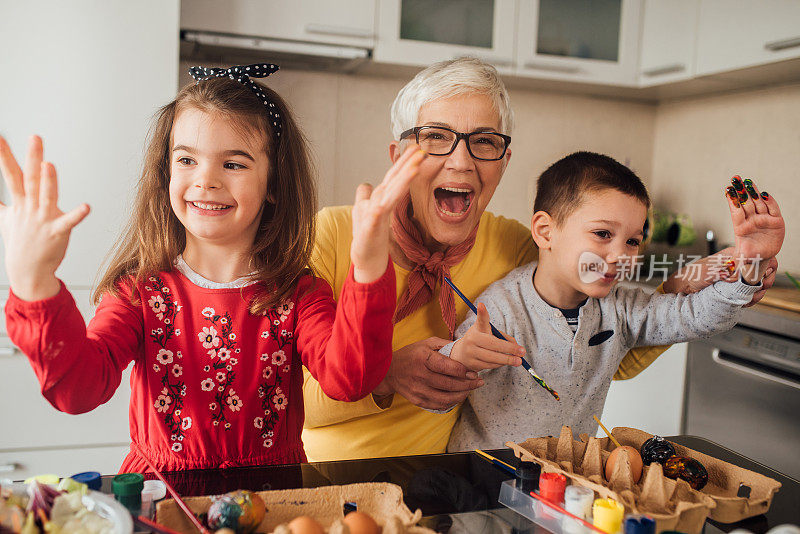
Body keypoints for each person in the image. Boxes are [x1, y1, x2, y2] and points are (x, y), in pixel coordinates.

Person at [301, 57, 779, 462]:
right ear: (399, 155)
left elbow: (596, 351)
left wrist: (694, 283)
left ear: (503, 161)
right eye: (435, 137)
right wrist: (385, 376)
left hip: (455, 483)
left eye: (484, 141)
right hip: (334, 477)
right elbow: (280, 399)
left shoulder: (516, 245)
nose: (462, 162)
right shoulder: (331, 235)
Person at [1, 63, 426, 472]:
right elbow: (78, 389)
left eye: (234, 163)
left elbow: (349, 379)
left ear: (274, 184)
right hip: (165, 501)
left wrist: (369, 266)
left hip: (273, 500)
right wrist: (33, 282)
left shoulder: (298, 294)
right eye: (187, 160)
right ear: (166, 171)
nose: (206, 180)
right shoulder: (139, 292)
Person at [440, 153, 785, 451]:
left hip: (564, 486)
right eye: (603, 234)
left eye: (633, 241)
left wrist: (749, 268)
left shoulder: (621, 308)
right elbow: (437, 399)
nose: (621, 255)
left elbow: (693, 317)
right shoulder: (500, 309)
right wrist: (457, 360)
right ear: (546, 232)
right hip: (482, 480)